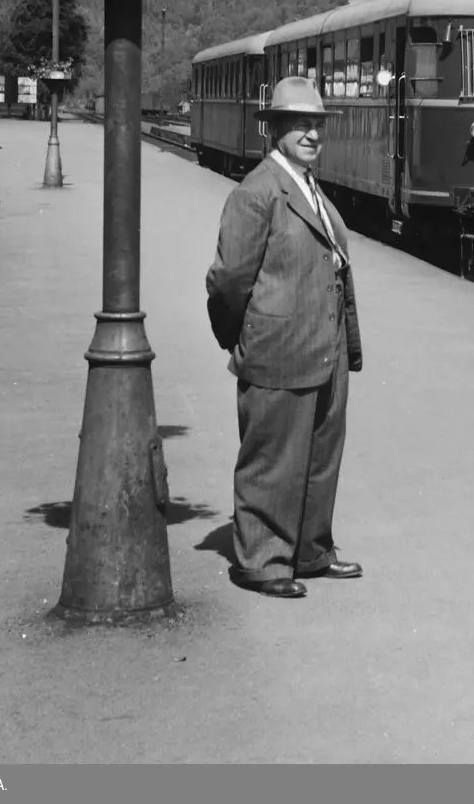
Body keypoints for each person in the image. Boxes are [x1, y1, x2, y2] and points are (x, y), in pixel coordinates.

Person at [205, 77, 363, 600]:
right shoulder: (256, 193)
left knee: (319, 456)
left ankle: (310, 551)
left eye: (317, 124)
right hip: (278, 348)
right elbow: (229, 281)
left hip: (325, 347)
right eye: (300, 124)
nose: (312, 133)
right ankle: (265, 562)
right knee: (273, 458)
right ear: (274, 129)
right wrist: (241, 341)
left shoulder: (308, 186)